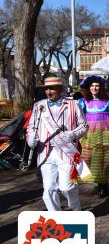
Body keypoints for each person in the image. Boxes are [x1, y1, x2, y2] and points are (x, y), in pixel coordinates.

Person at [26, 75, 89, 211]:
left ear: (60, 89)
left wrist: (73, 134)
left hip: (66, 151)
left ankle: (75, 210)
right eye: (47, 89)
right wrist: (31, 138)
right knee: (48, 189)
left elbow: (84, 126)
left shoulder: (73, 104)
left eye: (52, 88)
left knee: (66, 187)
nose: (49, 91)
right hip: (45, 152)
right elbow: (31, 126)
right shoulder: (39, 105)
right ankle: (56, 216)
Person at [78, 75, 109, 197]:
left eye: (97, 85)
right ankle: (99, 183)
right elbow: (79, 118)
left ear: (101, 87)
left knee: (105, 160)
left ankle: (104, 185)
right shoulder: (83, 102)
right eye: (92, 85)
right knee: (92, 160)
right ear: (88, 87)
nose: (94, 88)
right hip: (90, 135)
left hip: (106, 135)